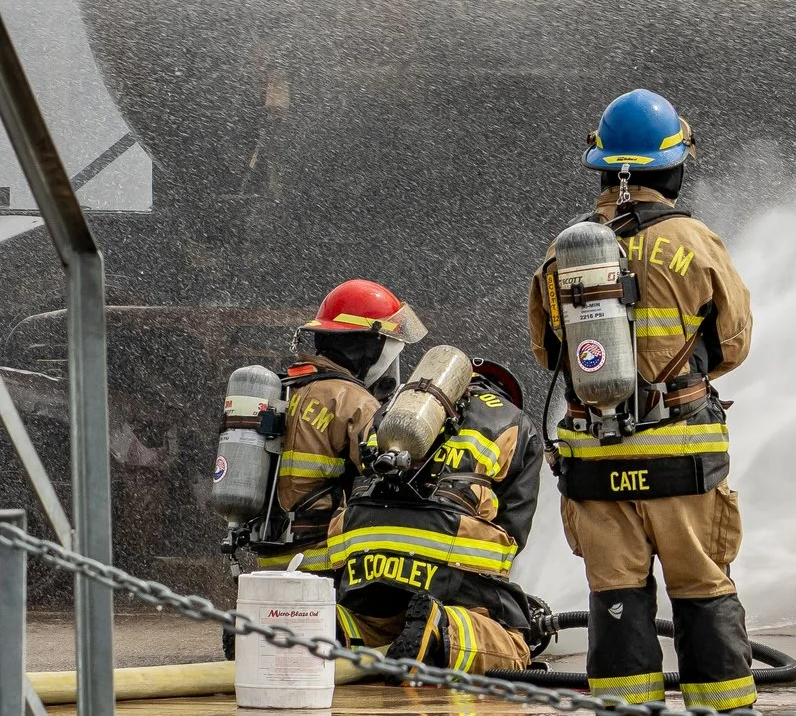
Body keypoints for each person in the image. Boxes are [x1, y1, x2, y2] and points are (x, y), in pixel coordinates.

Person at [529, 89, 757, 712]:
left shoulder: (563, 251)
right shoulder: (695, 241)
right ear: (672, 167)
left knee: (616, 599)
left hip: (595, 465)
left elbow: (549, 353)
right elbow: (734, 342)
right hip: (681, 458)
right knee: (702, 590)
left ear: (603, 168)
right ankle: (723, 707)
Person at [327, 357, 555, 672]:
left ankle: (342, 628)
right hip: (444, 564)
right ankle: (441, 628)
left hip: (365, 559)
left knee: (378, 622)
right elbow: (513, 530)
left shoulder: (390, 408)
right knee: (513, 645)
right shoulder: (515, 422)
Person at [249, 279, 427, 573]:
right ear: (369, 347)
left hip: (269, 562)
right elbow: (389, 476)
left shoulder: (284, 390)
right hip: (323, 563)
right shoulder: (352, 400)